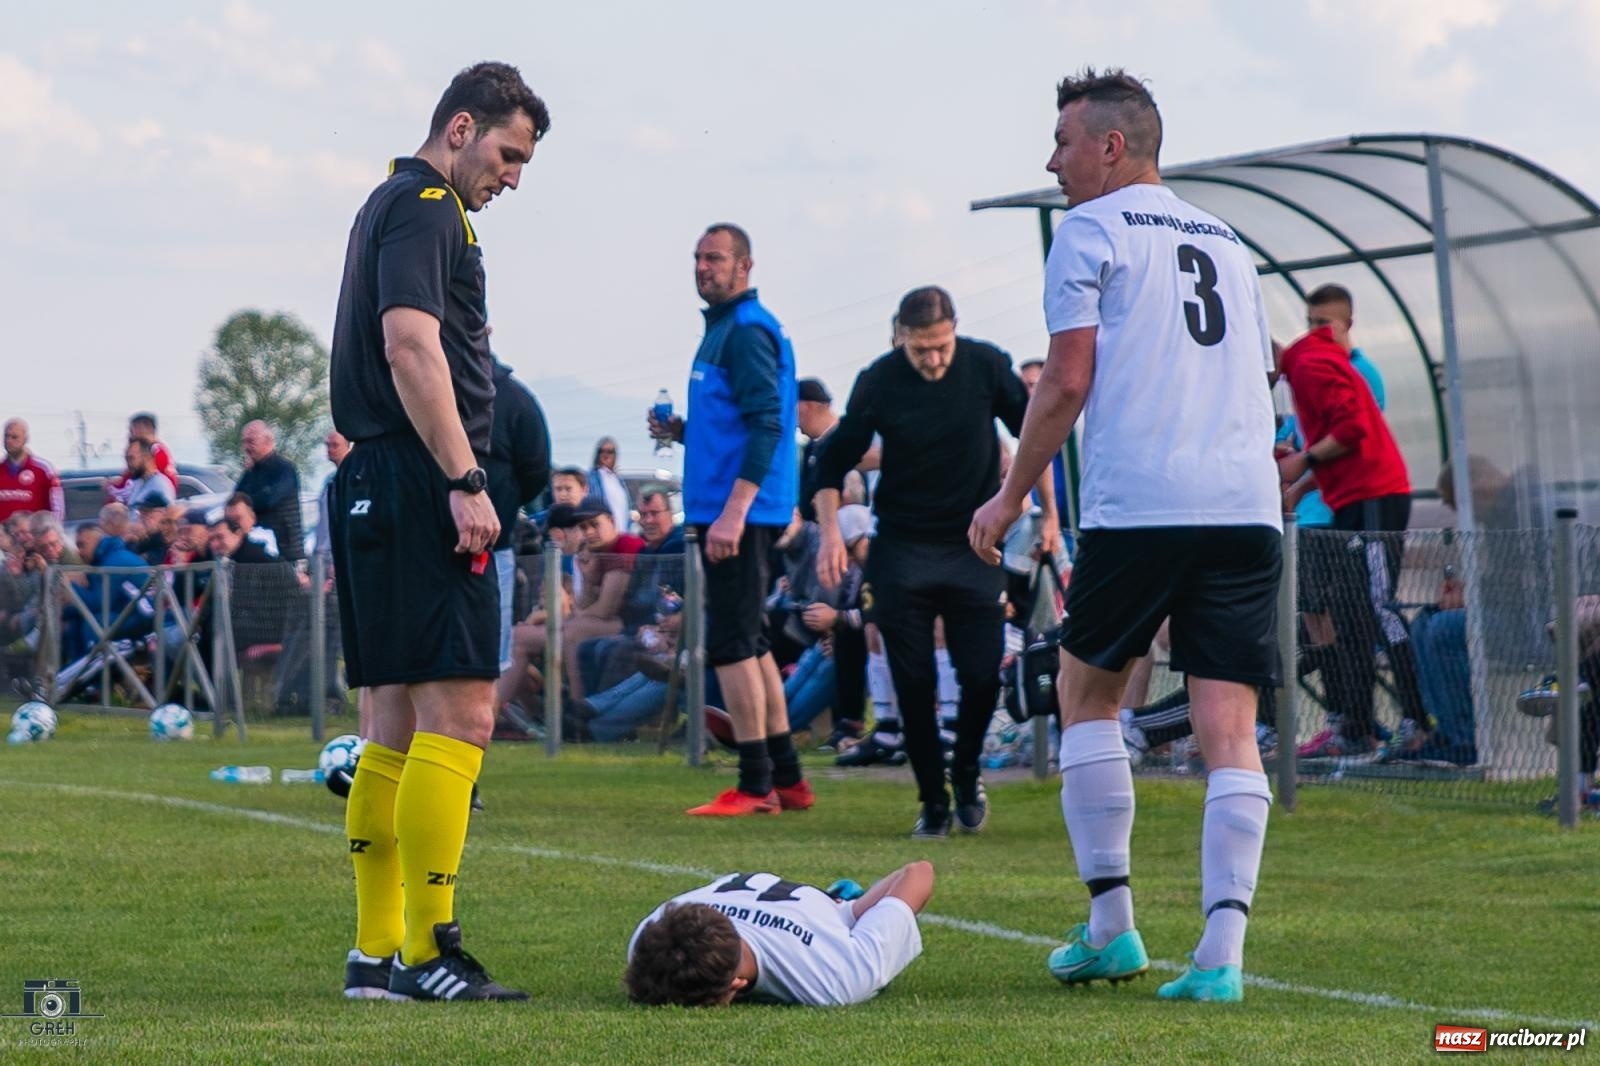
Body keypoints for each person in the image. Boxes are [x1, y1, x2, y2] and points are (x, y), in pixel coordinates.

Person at [968, 68, 1282, 1003]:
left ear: (1112, 146)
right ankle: (1220, 960)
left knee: (1087, 696)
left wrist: (1008, 497)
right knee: (1231, 729)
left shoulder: (1091, 230)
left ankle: (1112, 930)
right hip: (1243, 506)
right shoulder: (1228, 240)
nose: (1051, 159)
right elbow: (1254, 380)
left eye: (1063, 140)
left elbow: (1064, 381)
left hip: (1144, 501)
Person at [328, 60, 550, 1003]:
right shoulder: (423, 203)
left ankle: (378, 953)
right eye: (506, 154)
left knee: (390, 724)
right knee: (462, 715)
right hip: (421, 478)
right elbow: (411, 342)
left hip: (374, 477)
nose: (511, 177)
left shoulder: (389, 200)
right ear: (460, 129)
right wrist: (465, 477)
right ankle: (430, 952)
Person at [816, 285, 1058, 839]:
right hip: (901, 547)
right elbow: (831, 459)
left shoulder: (985, 365)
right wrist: (830, 531)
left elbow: (1037, 432)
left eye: (941, 346)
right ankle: (932, 800)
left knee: (978, 675)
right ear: (903, 337)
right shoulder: (880, 379)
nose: (933, 359)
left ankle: (966, 772)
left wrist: (1046, 513)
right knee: (914, 678)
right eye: (922, 348)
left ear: (955, 332)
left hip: (973, 541)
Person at [649, 223, 812, 817]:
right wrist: (683, 432)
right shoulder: (728, 329)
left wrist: (734, 515)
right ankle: (788, 779)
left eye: (714, 258)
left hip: (738, 515)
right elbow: (738, 424)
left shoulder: (745, 330)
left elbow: (771, 424)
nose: (703, 267)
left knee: (733, 644)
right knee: (754, 641)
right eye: (697, 258)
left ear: (745, 266)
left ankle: (754, 785)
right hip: (737, 510)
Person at [1276, 313, 1422, 757]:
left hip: (1352, 507)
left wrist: (1300, 475)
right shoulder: (1305, 374)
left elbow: (1353, 432)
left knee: (1372, 610)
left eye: (1324, 320)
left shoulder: (1334, 369)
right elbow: (1311, 441)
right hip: (1329, 516)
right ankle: (1352, 725)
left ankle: (1412, 719)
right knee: (1334, 620)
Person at [625, 861, 933, 1007]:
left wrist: (859, 911)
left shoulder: (833, 977)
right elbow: (916, 868)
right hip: (807, 908)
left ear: (736, 985)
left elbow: (920, 873)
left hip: (823, 915)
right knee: (850, 913)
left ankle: (845, 901)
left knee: (855, 915)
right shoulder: (650, 937)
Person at [486, 359, 551, 685]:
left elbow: (536, 469)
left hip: (495, 546)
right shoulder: (431, 386)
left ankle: (485, 723)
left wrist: (503, 503)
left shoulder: (514, 399)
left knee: (495, 645)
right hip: (432, 547)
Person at [235, 421, 304, 561]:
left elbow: (268, 500)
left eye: (251, 441)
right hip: (258, 550)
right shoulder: (250, 473)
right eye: (244, 442)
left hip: (285, 549)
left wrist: (246, 505)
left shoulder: (285, 469)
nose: (246, 447)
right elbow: (236, 501)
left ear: (267, 441)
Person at [0, 418, 64, 523]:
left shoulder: (43, 469)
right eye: (6, 436)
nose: (9, 441)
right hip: (4, 537)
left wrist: (49, 533)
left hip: (33, 537)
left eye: (14, 437)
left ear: (25, 439)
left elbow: (58, 508)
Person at [107, 412, 179, 505]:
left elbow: (130, 479)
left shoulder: (155, 450)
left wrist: (113, 486)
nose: (131, 434)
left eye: (133, 430)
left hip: (155, 503)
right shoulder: (159, 450)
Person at [116, 439, 176, 512]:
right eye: (126, 459)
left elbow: (171, 514)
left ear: (146, 458)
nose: (128, 464)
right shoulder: (137, 483)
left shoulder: (159, 486)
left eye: (131, 458)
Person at [588, 436, 632, 531]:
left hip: (622, 534)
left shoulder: (619, 481)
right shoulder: (590, 478)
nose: (606, 455)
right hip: (602, 533)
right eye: (602, 451)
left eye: (610, 452)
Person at [224, 492, 281, 559]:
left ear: (252, 518)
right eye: (229, 520)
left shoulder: (265, 541)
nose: (233, 524)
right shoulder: (220, 542)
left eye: (238, 518)